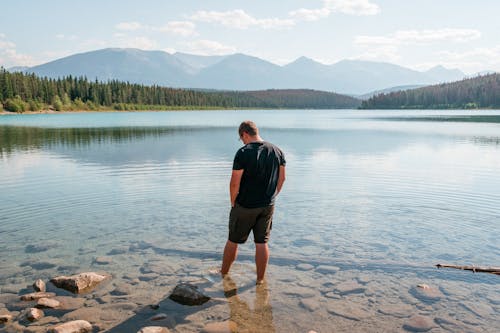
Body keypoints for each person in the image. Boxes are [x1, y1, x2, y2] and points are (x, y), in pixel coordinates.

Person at [221, 120, 286, 284]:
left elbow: (234, 182)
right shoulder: (277, 151)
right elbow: (282, 178)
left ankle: (223, 274)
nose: (242, 141)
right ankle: (260, 280)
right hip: (267, 205)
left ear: (244, 134)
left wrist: (233, 201)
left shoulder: (243, 152)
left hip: (245, 205)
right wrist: (272, 196)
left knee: (233, 240)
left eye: (241, 138)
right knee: (262, 242)